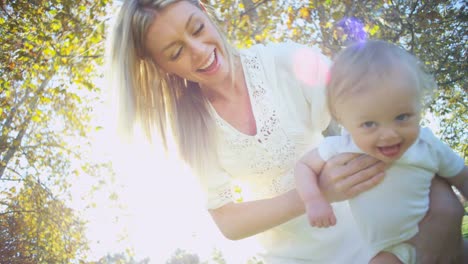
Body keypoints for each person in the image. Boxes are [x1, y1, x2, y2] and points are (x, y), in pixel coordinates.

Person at [109, 1, 466, 263]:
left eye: (197, 28)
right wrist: (315, 194)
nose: (200, 52)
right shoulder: (189, 127)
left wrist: (434, 181)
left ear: (205, 10)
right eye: (176, 52)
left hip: (375, 226)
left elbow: (373, 113)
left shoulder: (284, 63)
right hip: (297, 255)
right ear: (159, 66)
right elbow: (227, 221)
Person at [294, 40, 468, 264]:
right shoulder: (343, 146)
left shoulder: (427, 145)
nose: (389, 135)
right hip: (389, 249)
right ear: (343, 119)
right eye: (369, 124)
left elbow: (462, 177)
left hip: (434, 231)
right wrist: (313, 199)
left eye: (402, 117)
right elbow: (304, 166)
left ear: (417, 106)